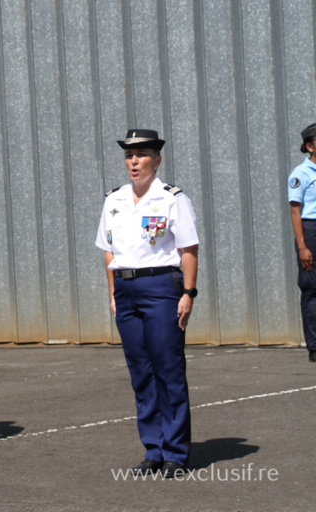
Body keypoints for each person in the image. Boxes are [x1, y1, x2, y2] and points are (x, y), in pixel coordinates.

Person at [95, 129, 200, 479]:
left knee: (168, 369)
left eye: (141, 155)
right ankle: (153, 449)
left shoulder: (171, 199)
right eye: (129, 156)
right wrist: (113, 293)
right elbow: (109, 250)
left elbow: (188, 249)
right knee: (140, 373)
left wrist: (188, 293)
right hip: (126, 290)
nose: (134, 162)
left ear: (157, 159)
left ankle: (175, 452)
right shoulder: (115, 200)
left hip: (161, 288)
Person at [288, 122, 316, 363]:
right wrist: (302, 246)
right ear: (310, 146)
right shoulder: (301, 174)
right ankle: (314, 345)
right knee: (312, 288)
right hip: (310, 229)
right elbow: (295, 211)